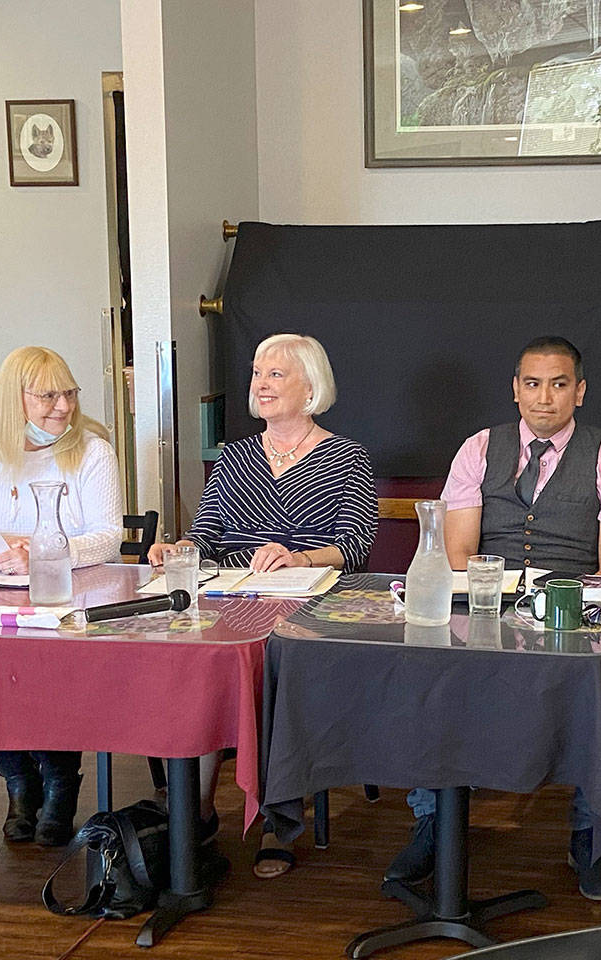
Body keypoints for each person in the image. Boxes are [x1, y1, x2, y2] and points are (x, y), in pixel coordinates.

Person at [386, 335, 601, 902]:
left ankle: (591, 833)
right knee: (433, 667)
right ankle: (433, 818)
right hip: (486, 603)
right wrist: (494, 608)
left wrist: (554, 606)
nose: (544, 398)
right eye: (532, 384)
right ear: (515, 389)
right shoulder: (478, 448)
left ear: (579, 391)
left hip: (574, 615)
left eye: (558, 385)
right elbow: (458, 555)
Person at [149, 332, 377, 877]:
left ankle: (279, 817)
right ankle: (196, 812)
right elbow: (205, 537)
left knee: (282, 670)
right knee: (196, 664)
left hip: (311, 604)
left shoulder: (349, 457)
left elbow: (356, 545)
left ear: (311, 385)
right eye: (257, 373)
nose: (261, 384)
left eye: (276, 374)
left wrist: (297, 559)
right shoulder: (233, 457)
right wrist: (176, 550)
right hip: (233, 599)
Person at [0, 346, 122, 846]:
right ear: (15, 400)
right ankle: (19, 779)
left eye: (70, 393)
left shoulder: (93, 450)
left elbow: (107, 536)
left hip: (69, 600)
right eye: (48, 396)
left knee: (48, 673)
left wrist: (43, 549)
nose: (63, 407)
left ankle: (59, 783)